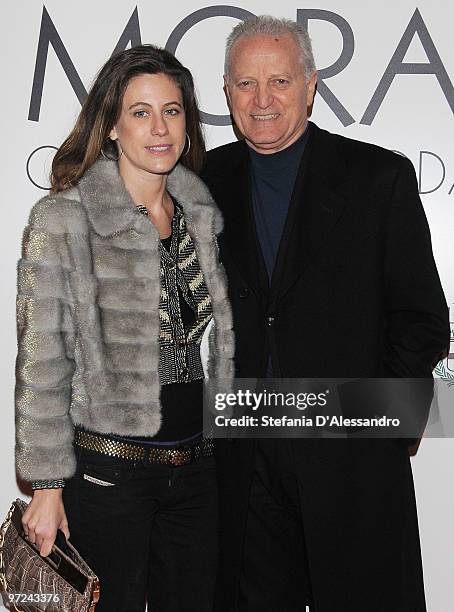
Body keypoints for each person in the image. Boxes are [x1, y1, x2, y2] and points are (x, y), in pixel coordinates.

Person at [200, 15, 450, 612]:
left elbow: (422, 319)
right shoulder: (204, 181)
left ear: (311, 86)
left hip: (353, 465)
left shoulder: (377, 177)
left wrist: (375, 429)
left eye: (280, 81)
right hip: (244, 463)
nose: (262, 100)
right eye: (244, 84)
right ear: (227, 91)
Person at [15, 44, 234, 611]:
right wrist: (46, 485)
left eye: (173, 109)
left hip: (197, 471)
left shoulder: (201, 213)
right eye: (140, 112)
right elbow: (43, 361)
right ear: (111, 125)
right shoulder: (66, 218)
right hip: (108, 476)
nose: (159, 128)